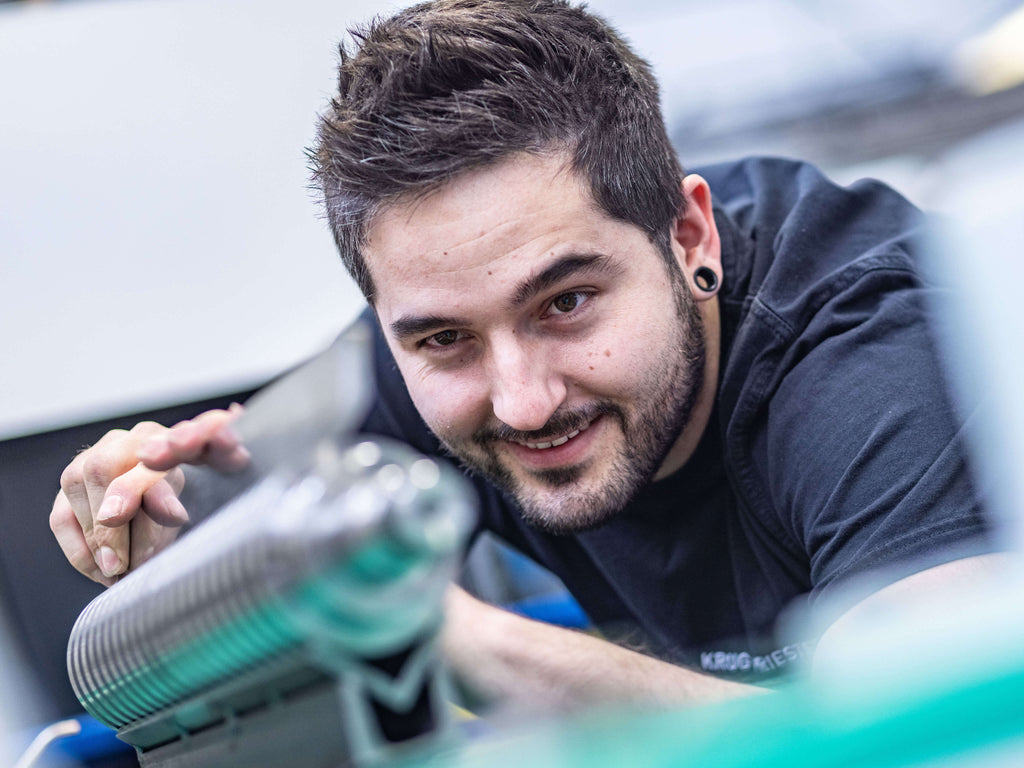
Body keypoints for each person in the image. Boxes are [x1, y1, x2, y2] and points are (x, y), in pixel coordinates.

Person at [50, 0, 999, 713]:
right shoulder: (419, 367)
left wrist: (456, 637)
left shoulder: (878, 361)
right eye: (443, 339)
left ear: (689, 238)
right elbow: (235, 482)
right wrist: (162, 516)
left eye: (567, 303)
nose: (523, 402)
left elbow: (920, 740)